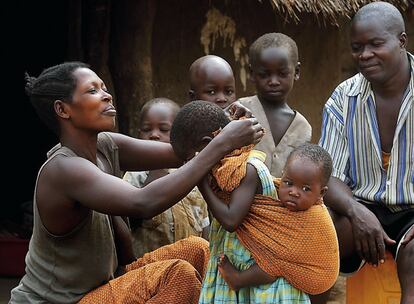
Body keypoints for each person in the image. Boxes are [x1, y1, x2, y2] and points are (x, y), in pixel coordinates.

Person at [10, 62, 263, 304]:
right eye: (92, 90)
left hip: (104, 286)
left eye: (105, 88)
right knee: (178, 276)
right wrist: (222, 143)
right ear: (63, 110)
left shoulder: (106, 146)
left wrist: (224, 125)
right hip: (63, 301)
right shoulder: (63, 168)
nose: (106, 96)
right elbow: (143, 202)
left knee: (197, 248)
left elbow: (184, 151)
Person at [170, 100, 337, 303]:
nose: (294, 192)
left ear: (207, 144)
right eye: (289, 183)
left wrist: (200, 180)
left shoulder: (247, 169)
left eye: (193, 159)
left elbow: (231, 221)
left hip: (265, 289)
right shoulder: (227, 170)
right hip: (242, 267)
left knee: (274, 263)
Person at [318, 2, 414, 303]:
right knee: (317, 233)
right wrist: (355, 211)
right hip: (362, 205)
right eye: (357, 47)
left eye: (375, 44)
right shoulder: (344, 98)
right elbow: (327, 174)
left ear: (401, 41)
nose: (365, 55)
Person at [123, 97, 210, 258]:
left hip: (192, 269)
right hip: (150, 272)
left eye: (163, 129)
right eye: (147, 129)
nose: (154, 135)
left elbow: (204, 223)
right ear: (138, 134)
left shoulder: (193, 172)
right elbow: (130, 220)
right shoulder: (134, 176)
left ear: (181, 135)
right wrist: (156, 169)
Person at [238, 32, 312, 178]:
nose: (273, 81)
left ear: (296, 72)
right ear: (252, 73)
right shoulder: (240, 110)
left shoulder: (303, 128)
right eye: (264, 74)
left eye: (282, 74)